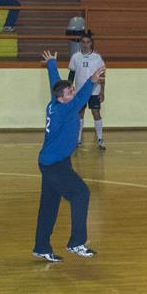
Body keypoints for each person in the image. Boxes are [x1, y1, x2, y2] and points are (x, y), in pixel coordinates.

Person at [33, 50, 104, 263]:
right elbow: (81, 98)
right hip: (55, 165)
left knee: (49, 205)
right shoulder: (66, 109)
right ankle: (76, 243)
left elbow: (55, 83)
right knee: (81, 193)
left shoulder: (56, 102)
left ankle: (41, 247)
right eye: (70, 92)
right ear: (62, 99)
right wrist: (92, 80)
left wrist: (51, 64)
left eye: (72, 90)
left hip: (51, 162)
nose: (73, 93)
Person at [68, 34, 106, 149]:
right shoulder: (75, 57)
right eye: (83, 42)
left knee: (96, 113)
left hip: (94, 91)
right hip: (80, 91)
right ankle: (78, 139)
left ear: (91, 43)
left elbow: (102, 75)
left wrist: (102, 91)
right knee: (80, 113)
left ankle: (100, 139)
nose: (85, 44)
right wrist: (69, 89)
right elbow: (72, 74)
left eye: (88, 42)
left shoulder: (97, 58)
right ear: (81, 43)